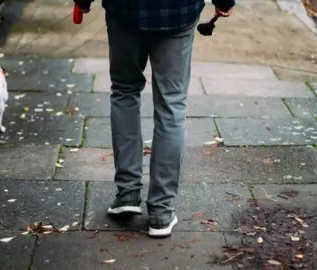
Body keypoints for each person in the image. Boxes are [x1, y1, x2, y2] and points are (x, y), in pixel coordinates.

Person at [73, 0, 234, 237]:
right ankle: (161, 211)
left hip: (126, 11)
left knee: (124, 91)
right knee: (172, 105)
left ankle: (127, 192)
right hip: (177, 12)